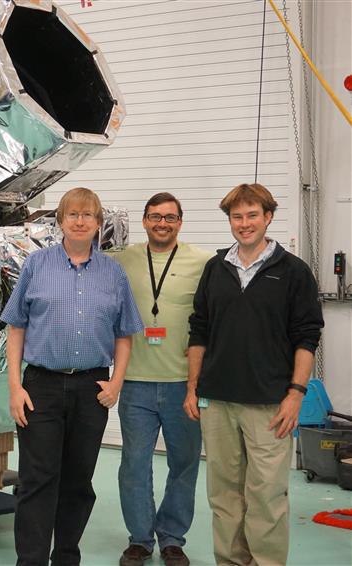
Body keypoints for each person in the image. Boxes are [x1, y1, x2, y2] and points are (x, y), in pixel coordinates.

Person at [2, 187, 144, 566]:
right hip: (41, 387)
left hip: (90, 388)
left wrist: (116, 383)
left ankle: (67, 556)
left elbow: (124, 334)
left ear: (98, 224)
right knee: (37, 480)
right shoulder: (36, 265)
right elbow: (15, 328)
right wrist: (15, 386)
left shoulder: (113, 272)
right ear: (60, 221)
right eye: (72, 215)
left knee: (78, 482)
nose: (80, 222)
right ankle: (31, 561)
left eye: (88, 216)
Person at [185, 183, 323, 566]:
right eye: (237, 216)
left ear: (268, 217)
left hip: (270, 405)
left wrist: (296, 393)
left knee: (266, 495)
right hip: (218, 401)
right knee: (224, 496)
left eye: (252, 215)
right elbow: (199, 330)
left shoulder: (293, 271)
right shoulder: (216, 268)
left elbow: (307, 337)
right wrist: (193, 385)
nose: (244, 224)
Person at [113, 193, 212, 566]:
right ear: (143, 221)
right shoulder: (122, 259)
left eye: (170, 217)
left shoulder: (203, 262)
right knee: (134, 465)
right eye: (155, 216)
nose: (162, 223)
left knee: (184, 464)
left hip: (183, 385)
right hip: (135, 382)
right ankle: (140, 539)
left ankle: (172, 538)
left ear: (180, 222)